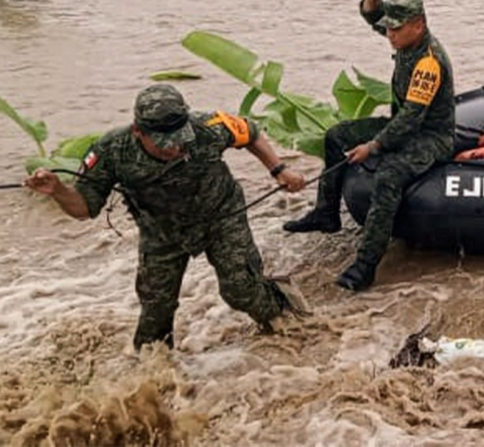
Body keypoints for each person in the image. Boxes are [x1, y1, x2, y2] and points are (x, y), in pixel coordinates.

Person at [23, 84, 308, 351]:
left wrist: (279, 169)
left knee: (239, 289)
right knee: (155, 307)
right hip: (162, 231)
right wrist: (58, 191)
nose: (174, 148)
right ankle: (157, 371)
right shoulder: (111, 151)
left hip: (222, 215)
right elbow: (84, 208)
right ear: (138, 131)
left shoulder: (207, 127)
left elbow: (249, 132)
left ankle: (290, 320)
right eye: (163, 143)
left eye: (179, 140)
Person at [284, 0, 456, 292]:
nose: (389, 35)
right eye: (389, 30)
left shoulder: (429, 63)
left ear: (418, 26)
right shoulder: (404, 40)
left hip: (430, 136)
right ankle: (326, 213)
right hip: (404, 126)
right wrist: (371, 0)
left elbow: (410, 118)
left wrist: (374, 146)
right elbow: (375, 20)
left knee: (389, 176)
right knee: (336, 136)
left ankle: (366, 265)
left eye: (396, 29)